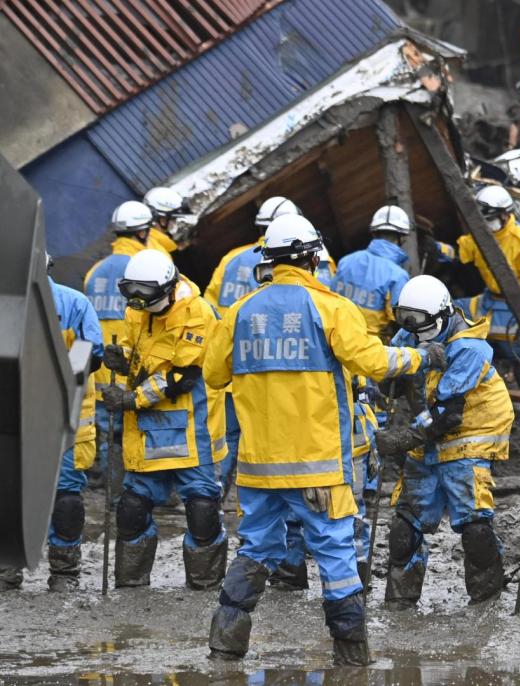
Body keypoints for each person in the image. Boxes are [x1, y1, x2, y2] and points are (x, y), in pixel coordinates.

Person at [203, 214, 444, 666]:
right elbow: (373, 361)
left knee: (255, 548)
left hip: (258, 469)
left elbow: (214, 375)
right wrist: (422, 356)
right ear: (314, 258)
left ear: (269, 261)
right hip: (317, 466)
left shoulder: (240, 312)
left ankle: (224, 648)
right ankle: (352, 659)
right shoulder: (330, 308)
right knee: (335, 552)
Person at [376, 275, 514, 608]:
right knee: (404, 529)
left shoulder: (470, 348)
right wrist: (391, 381)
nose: (417, 336)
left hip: (470, 434)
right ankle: (400, 604)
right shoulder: (411, 332)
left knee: (474, 527)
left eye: (423, 330)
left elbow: (447, 413)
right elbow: (389, 368)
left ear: (442, 315)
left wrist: (403, 439)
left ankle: (486, 602)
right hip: (430, 436)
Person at [98, 249, 228, 591]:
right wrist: (122, 359)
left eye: (145, 294)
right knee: (131, 508)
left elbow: (179, 376)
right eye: (131, 293)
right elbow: (143, 356)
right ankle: (131, 583)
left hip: (190, 428)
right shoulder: (137, 312)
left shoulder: (197, 314)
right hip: (146, 431)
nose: (137, 301)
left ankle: (205, 584)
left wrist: (130, 398)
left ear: (167, 287)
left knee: (202, 511)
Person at [0, 258, 104, 592]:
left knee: (61, 497)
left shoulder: (72, 304)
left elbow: (91, 354)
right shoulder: (70, 302)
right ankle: (30, 570)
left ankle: (58, 572)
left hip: (59, 419)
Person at [430, 186, 520, 429]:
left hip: (515, 308)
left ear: (506, 215)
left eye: (490, 219)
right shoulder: (479, 235)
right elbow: (459, 253)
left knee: (519, 358)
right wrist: (435, 248)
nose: (486, 224)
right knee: (451, 311)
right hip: (489, 300)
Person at [204, 196, 301, 491]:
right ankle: (269, 493)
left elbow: (210, 308)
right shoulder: (306, 261)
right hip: (278, 367)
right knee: (274, 434)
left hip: (233, 362)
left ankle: (215, 493)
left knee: (229, 435)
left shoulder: (231, 258)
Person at [84, 201, 157, 486]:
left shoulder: (95, 271)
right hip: (132, 361)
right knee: (132, 426)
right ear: (141, 232)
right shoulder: (146, 266)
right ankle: (129, 483)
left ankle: (105, 475)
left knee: (104, 422)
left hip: (101, 362)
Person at [331, 205, 414, 339]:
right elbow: (400, 324)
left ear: (374, 233)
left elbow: (330, 301)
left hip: (337, 343)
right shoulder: (397, 276)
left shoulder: (346, 261)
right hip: (372, 351)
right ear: (402, 237)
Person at [144, 186, 195, 251]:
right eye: (174, 219)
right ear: (162, 220)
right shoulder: (159, 247)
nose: (175, 223)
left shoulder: (145, 239)